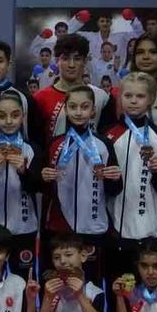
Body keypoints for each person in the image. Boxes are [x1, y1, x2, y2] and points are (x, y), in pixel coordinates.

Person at [101, 72, 157, 312]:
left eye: (140, 96)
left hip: (149, 228)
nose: (133, 101)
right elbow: (102, 186)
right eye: (128, 95)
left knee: (147, 291)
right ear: (119, 98)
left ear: (151, 99)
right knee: (117, 290)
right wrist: (108, 178)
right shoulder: (108, 135)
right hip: (116, 228)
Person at [40, 85, 115, 286]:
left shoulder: (104, 144)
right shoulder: (54, 144)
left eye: (84, 107)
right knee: (57, 285)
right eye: (73, 107)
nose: (79, 112)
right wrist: (43, 178)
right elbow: (42, 187)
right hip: (59, 225)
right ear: (65, 109)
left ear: (93, 111)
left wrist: (113, 178)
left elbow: (114, 189)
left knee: (91, 285)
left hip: (93, 226)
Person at [0, 91, 43, 280]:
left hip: (24, 226)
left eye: (15, 115)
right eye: (2, 116)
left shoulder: (33, 149)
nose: (8, 121)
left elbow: (40, 186)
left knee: (24, 278)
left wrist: (24, 171)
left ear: (23, 116)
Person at [32, 33, 115, 146]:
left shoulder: (101, 97)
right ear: (57, 61)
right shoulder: (40, 98)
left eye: (77, 59)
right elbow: (36, 143)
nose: (71, 65)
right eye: (65, 58)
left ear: (85, 61)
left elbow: (107, 139)